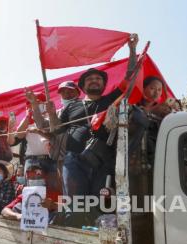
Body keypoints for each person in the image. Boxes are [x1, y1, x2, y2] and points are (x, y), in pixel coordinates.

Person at [57, 34, 138, 227]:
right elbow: (57, 131)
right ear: (83, 85)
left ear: (103, 84)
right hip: (74, 161)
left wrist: (132, 50)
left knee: (98, 203)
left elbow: (131, 78)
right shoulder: (71, 106)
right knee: (75, 205)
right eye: (90, 79)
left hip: (102, 161)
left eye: (98, 79)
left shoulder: (111, 100)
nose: (94, 81)